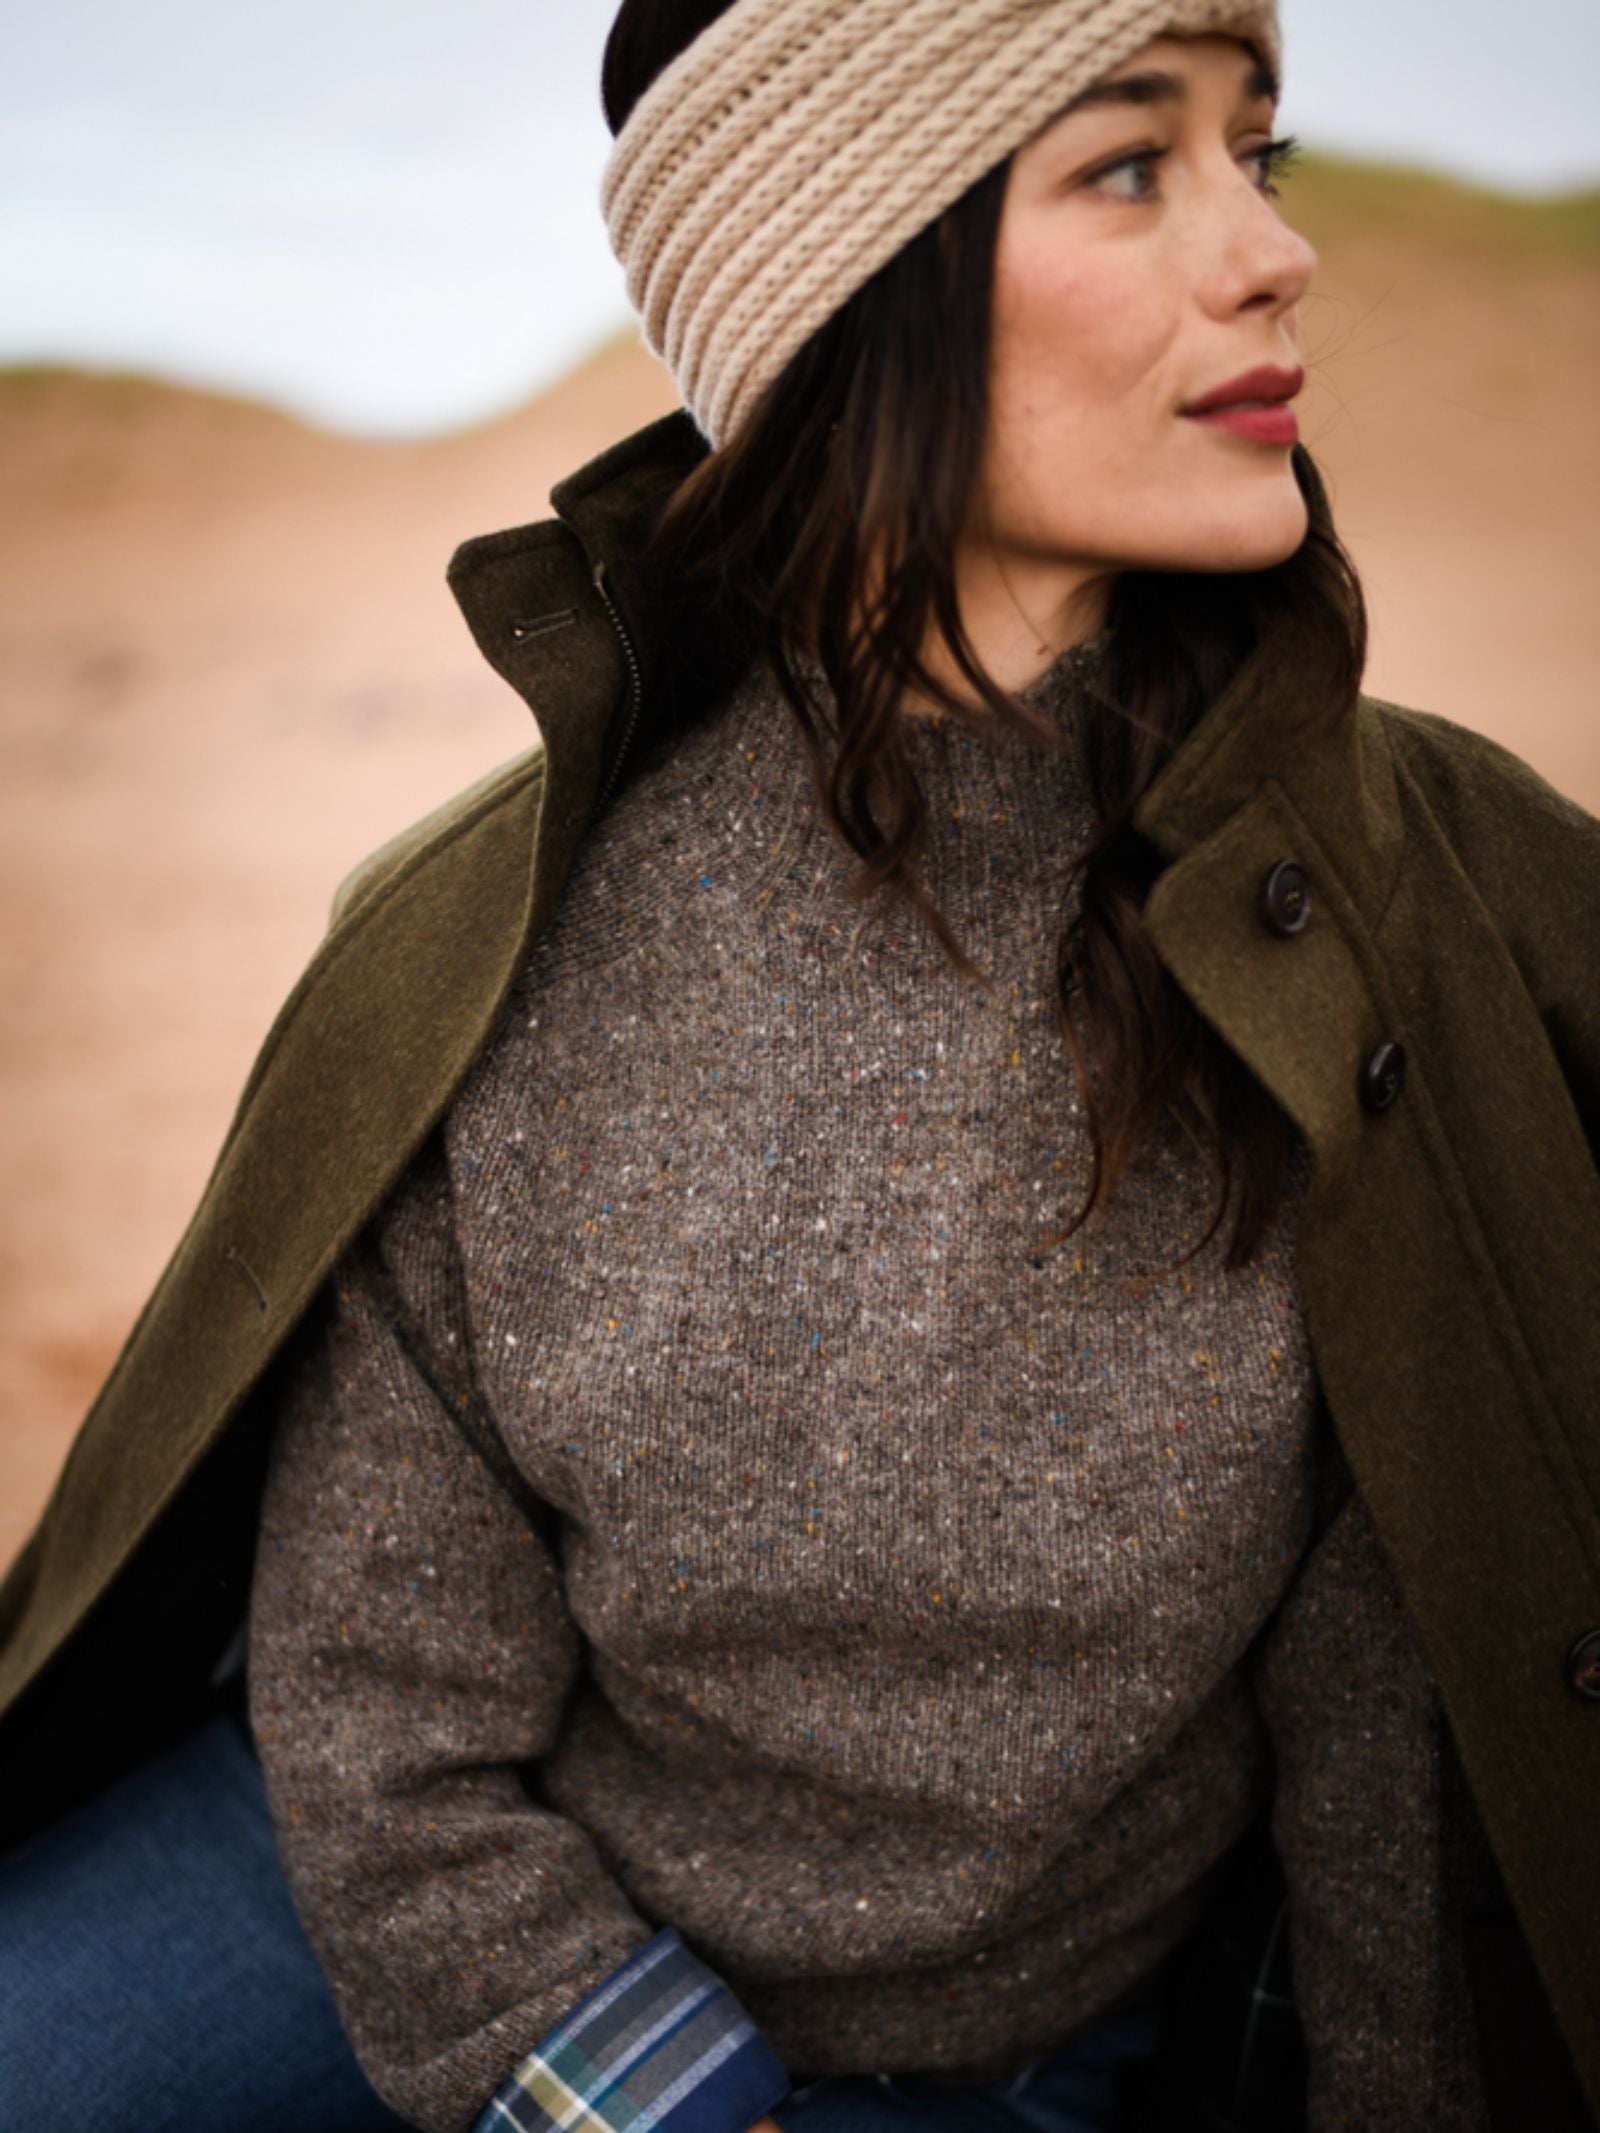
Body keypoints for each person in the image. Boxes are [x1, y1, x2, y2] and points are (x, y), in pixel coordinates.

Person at [1, 2, 1597, 2130]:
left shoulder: (1406, 906)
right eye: (1132, 164)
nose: (1274, 251)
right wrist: (647, 2095)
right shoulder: (505, 940)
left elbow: (1405, 1787)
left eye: (1261, 153)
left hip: (1034, 2033)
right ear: (846, 288)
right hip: (443, 1890)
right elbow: (382, 1701)